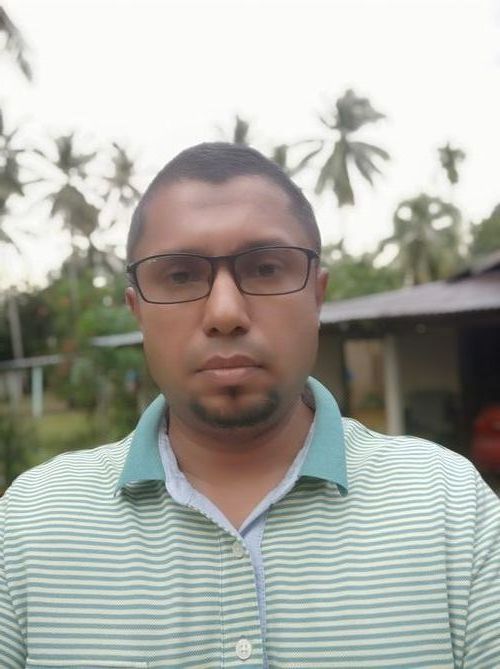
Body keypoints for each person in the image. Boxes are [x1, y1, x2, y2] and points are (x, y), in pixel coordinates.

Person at [1, 143, 499, 669]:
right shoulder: (31, 524)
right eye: (180, 276)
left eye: (265, 268)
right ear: (137, 310)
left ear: (317, 295)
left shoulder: (449, 507)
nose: (225, 312)